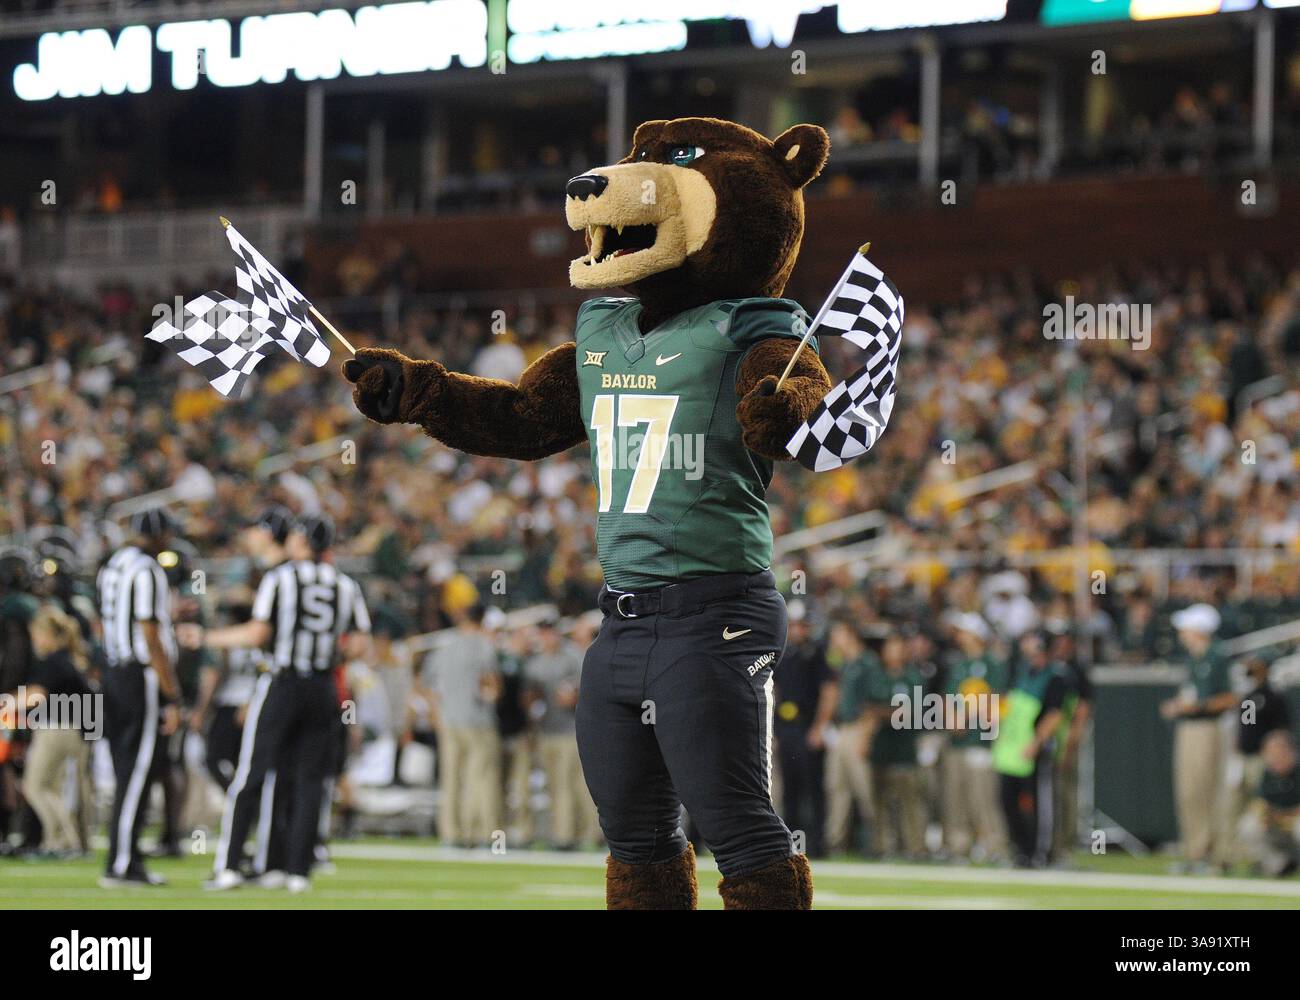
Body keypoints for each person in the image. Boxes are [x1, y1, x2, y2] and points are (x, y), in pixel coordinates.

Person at [183, 515, 370, 893]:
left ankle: (230, 866)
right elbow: (359, 643)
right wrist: (329, 657)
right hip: (322, 688)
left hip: (283, 682)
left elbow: (258, 633)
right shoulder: (344, 584)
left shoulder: (280, 578)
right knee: (309, 781)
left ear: (301, 541)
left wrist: (206, 637)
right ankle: (296, 871)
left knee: (251, 774)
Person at [96, 508, 182, 887]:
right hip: (139, 676)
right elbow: (150, 634)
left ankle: (123, 855)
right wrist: (172, 693)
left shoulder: (113, 565)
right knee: (138, 771)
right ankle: (123, 862)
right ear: (160, 535)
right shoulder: (148, 570)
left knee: (126, 769)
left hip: (114, 672)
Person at [1160, 603, 1235, 873]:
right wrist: (1181, 707)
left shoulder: (1217, 656)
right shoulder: (1195, 658)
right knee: (1188, 791)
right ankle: (1193, 852)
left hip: (1207, 728)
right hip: (1189, 728)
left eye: (1187, 627)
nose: (1182, 632)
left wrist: (1194, 707)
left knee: (1207, 790)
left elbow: (1230, 698)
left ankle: (1211, 854)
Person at [423, 603, 502, 847]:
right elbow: (492, 687)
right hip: (478, 721)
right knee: (481, 777)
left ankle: (451, 833)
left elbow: (427, 686)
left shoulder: (444, 647)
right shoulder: (484, 647)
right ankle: (479, 832)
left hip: (449, 720)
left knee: (451, 778)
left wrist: (437, 715)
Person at [22, 604, 94, 857]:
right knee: (57, 788)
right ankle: (60, 840)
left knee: (36, 786)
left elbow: (36, 697)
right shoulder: (70, 658)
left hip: (58, 728)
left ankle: (64, 840)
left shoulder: (53, 661)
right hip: (79, 729)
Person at [993, 631, 1067, 868]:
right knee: (1007, 801)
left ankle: (1040, 852)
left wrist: (1036, 742)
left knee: (1038, 803)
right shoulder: (1021, 673)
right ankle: (1021, 851)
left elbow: (1054, 714)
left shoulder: (1055, 678)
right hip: (1012, 749)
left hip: (1034, 750)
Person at [772, 601, 837, 859]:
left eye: (802, 625)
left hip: (809, 725)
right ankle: (791, 841)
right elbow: (773, 691)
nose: (798, 630)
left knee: (814, 787)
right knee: (790, 788)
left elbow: (829, 691)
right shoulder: (783, 652)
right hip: (786, 727)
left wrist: (820, 727)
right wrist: (773, 729)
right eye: (795, 624)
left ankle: (818, 844)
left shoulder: (819, 653)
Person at [525, 616, 596, 849]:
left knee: (575, 785)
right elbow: (529, 699)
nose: (547, 637)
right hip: (547, 731)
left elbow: (588, 687)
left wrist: (573, 697)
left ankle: (577, 836)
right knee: (555, 786)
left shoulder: (573, 656)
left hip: (570, 730)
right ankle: (563, 834)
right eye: (543, 632)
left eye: (550, 632)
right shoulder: (534, 663)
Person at [941, 613, 1007, 861]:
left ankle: (995, 847)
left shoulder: (993, 664)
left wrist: (965, 716)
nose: (959, 637)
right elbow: (948, 697)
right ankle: (959, 847)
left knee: (983, 799)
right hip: (957, 741)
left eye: (964, 631)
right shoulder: (958, 664)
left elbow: (998, 701)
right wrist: (950, 719)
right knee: (956, 798)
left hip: (980, 741)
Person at [1223, 653, 1292, 868]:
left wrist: (1274, 755)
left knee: (1258, 804)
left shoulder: (1273, 696)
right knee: (1234, 803)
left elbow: (1280, 731)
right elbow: (1246, 726)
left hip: (1262, 759)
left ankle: (1261, 858)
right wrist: (1238, 744)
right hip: (1243, 757)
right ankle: (1230, 854)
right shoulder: (1249, 696)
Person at [866, 632, 927, 859]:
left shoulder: (913, 677)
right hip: (881, 747)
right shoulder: (877, 676)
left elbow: (914, 713)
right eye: (889, 647)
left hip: (904, 748)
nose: (893, 652)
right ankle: (881, 847)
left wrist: (884, 713)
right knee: (879, 801)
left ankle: (915, 847)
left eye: (897, 647)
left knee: (909, 801)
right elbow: (870, 708)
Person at [823, 616, 876, 855]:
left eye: (838, 634)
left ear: (850, 635)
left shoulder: (867, 663)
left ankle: (877, 843)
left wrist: (865, 735)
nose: (834, 640)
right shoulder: (843, 663)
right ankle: (836, 843)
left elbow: (873, 704)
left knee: (865, 789)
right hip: (841, 730)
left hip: (858, 728)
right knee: (837, 787)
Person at [1237, 730, 1300, 877]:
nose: (1275, 759)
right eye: (1271, 754)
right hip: (1276, 826)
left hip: (1293, 825)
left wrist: (1286, 817)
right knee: (1249, 826)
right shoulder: (1266, 774)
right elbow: (1260, 804)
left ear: (1290, 753)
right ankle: (1280, 866)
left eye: (1279, 754)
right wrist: (1265, 814)